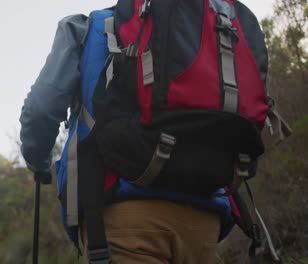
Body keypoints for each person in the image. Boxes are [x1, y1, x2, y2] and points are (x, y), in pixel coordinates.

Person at [20, 0, 285, 263]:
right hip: (206, 217)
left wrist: (38, 161)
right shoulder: (213, 26)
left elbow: (41, 108)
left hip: (121, 215)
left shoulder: (86, 27)